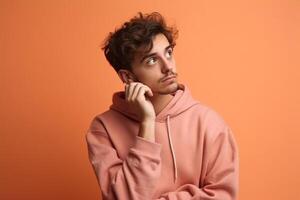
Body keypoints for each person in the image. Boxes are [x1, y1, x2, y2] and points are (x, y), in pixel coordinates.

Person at [85, 11, 239, 200]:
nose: (168, 67)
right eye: (151, 60)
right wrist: (147, 124)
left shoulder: (209, 123)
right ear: (128, 77)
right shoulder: (103, 129)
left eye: (168, 53)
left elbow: (223, 196)